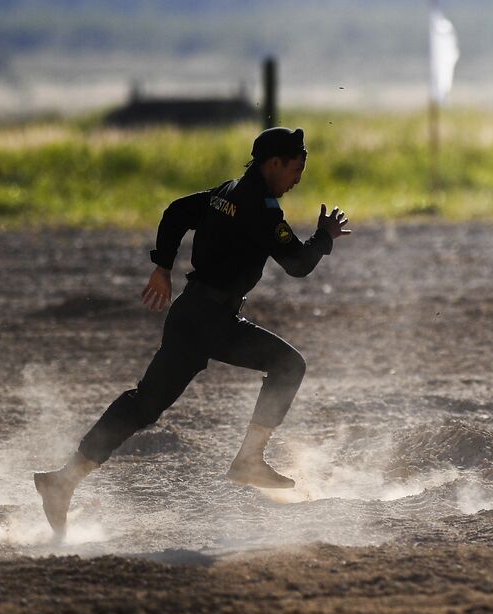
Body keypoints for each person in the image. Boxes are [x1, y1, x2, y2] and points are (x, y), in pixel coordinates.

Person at [34, 126, 351, 538]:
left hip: (194, 315)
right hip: (211, 319)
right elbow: (298, 264)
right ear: (274, 163)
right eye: (295, 168)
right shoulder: (262, 207)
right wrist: (324, 237)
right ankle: (249, 460)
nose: (298, 178)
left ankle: (63, 481)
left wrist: (163, 266)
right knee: (288, 365)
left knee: (143, 404)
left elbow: (177, 211)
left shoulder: (227, 191)